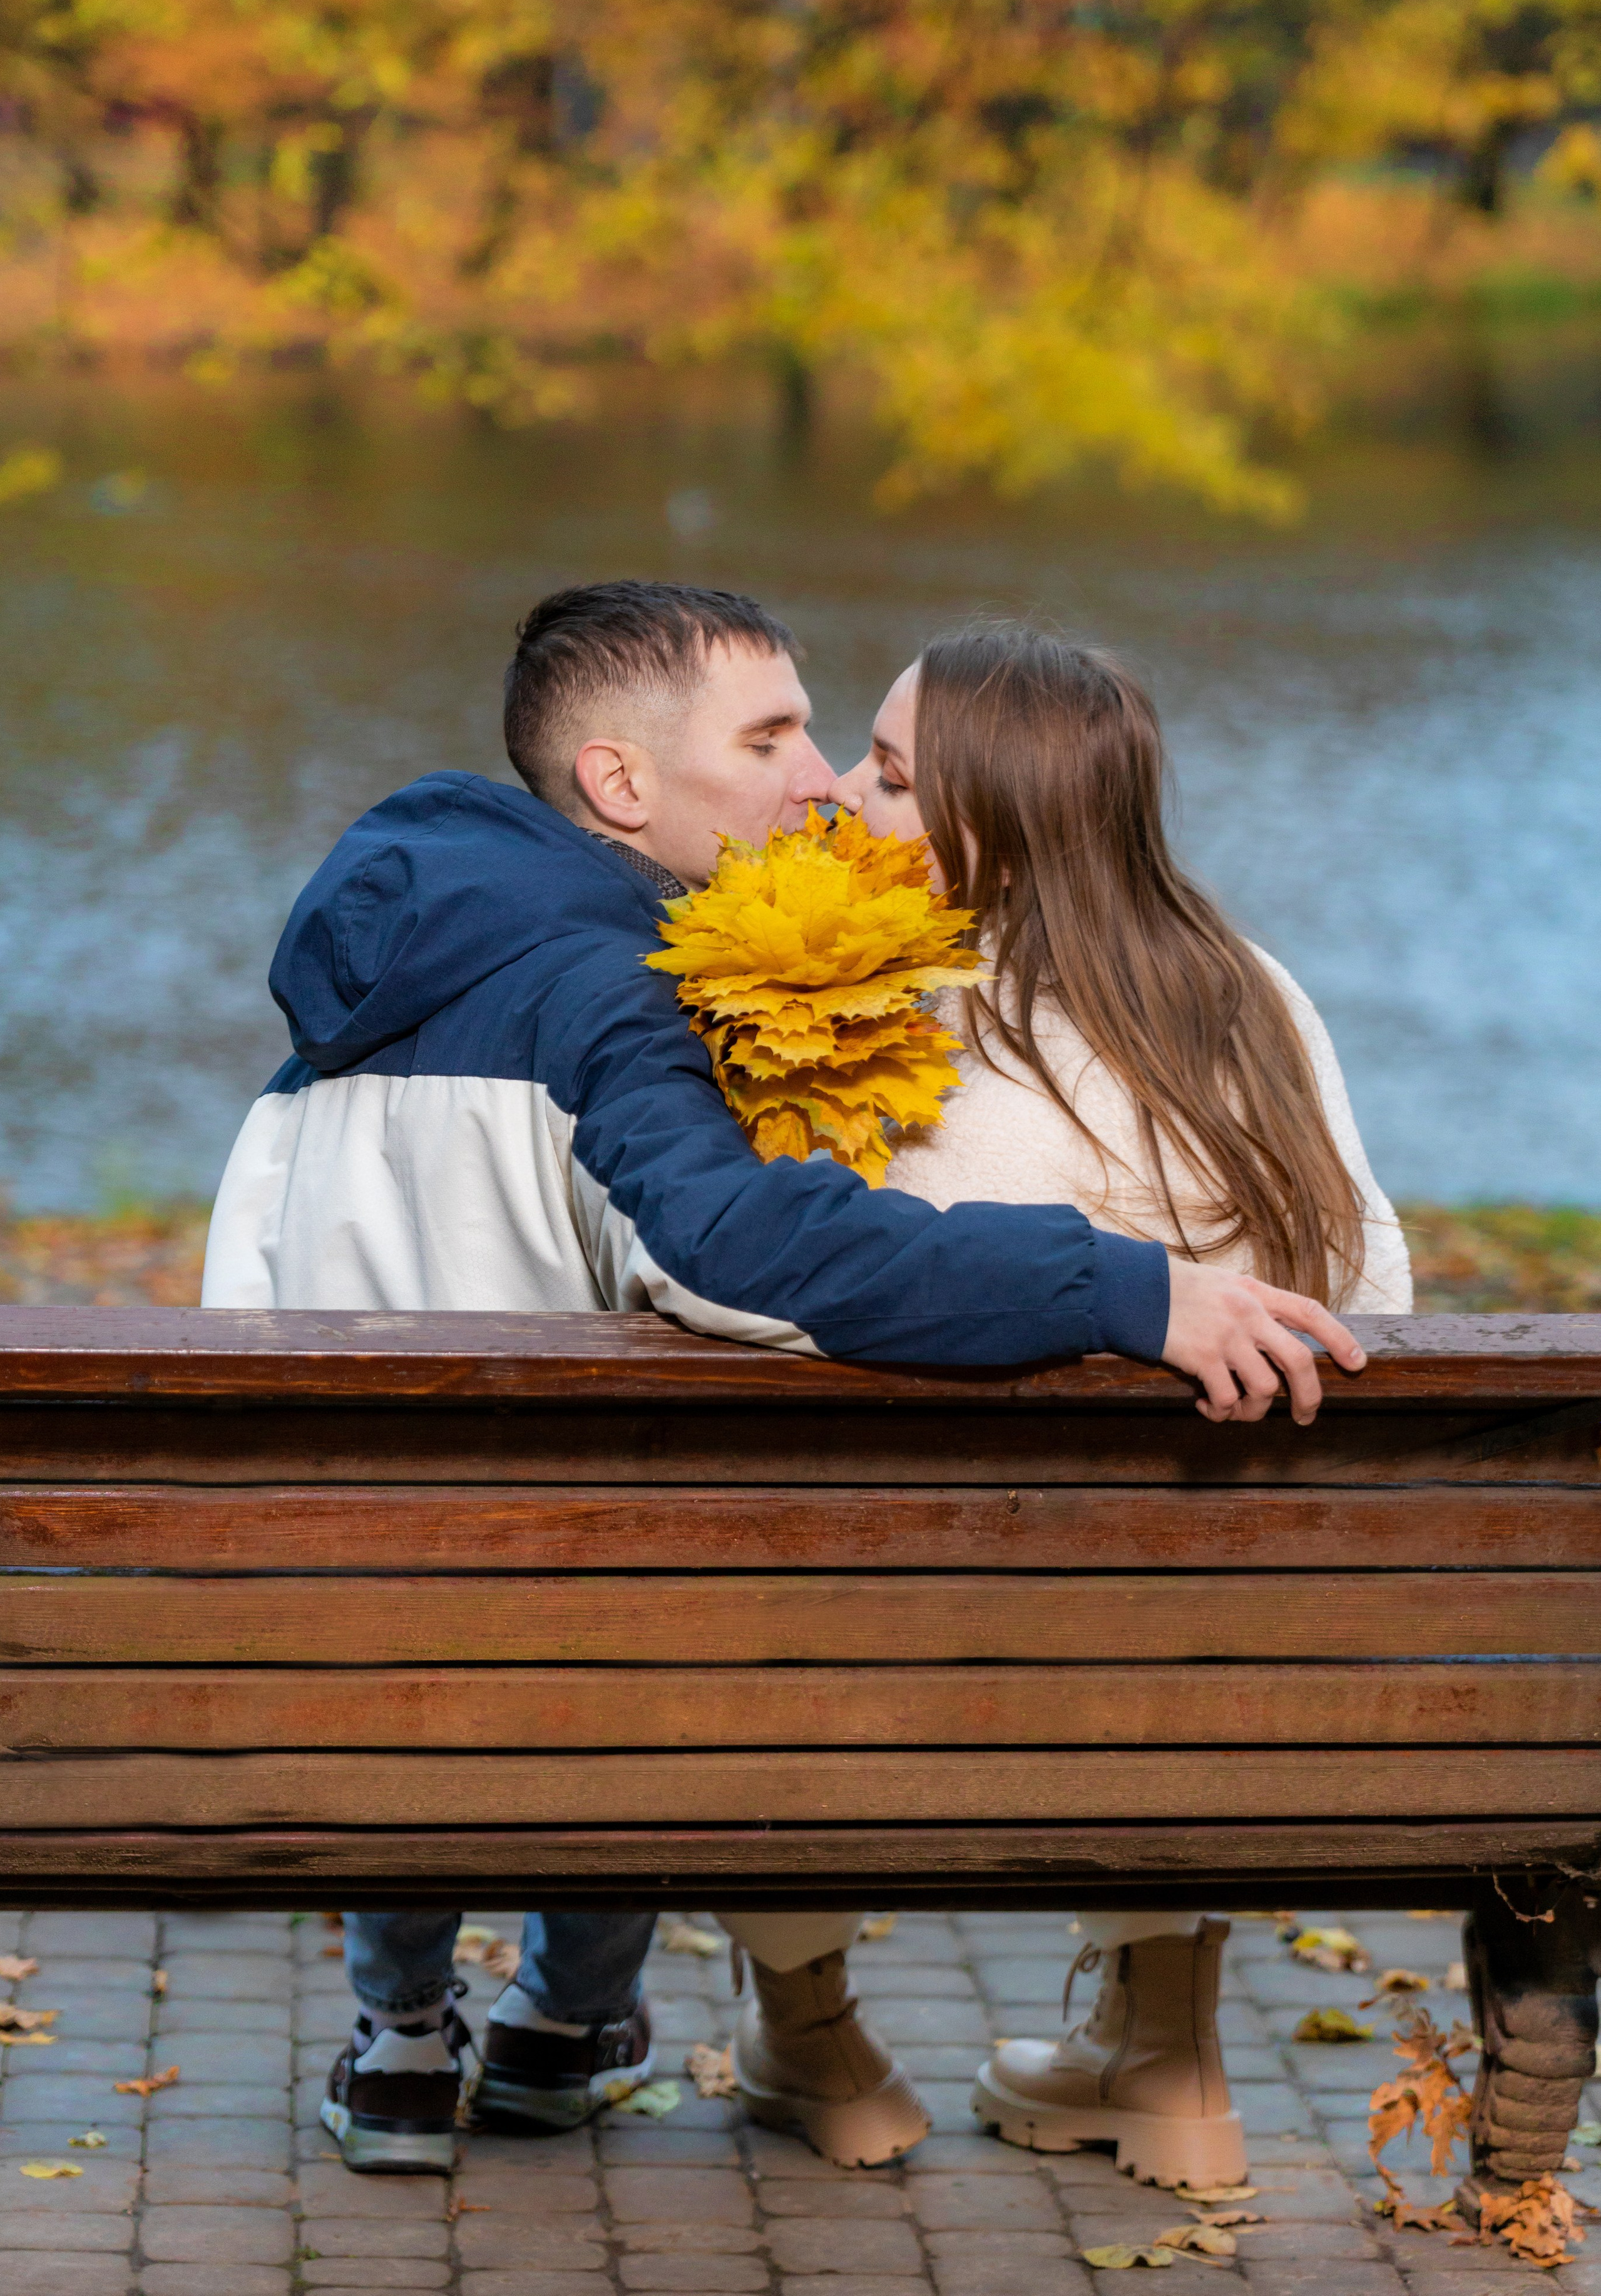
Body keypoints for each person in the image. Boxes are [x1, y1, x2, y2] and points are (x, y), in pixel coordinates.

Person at [202, 580, 1365, 2181]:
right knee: (649, 1592)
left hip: (335, 1590)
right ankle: (565, 2020)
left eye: (844, 749)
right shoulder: (629, 998)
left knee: (497, 1592)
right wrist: (1119, 1282)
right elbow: (740, 1253)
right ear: (621, 786)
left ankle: (413, 2033)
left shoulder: (349, 1011)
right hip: (667, 1613)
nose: (817, 778)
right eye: (774, 738)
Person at [832, 622, 1410, 2188]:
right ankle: (1163, 2050)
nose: (833, 795)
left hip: (907, 1675)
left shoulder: (892, 1016)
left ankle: (801, 2021)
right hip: (1229, 1671)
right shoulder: (1247, 991)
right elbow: (1374, 1290)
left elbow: (795, 1298)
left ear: (992, 819)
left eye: (882, 775)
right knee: (1186, 1565)